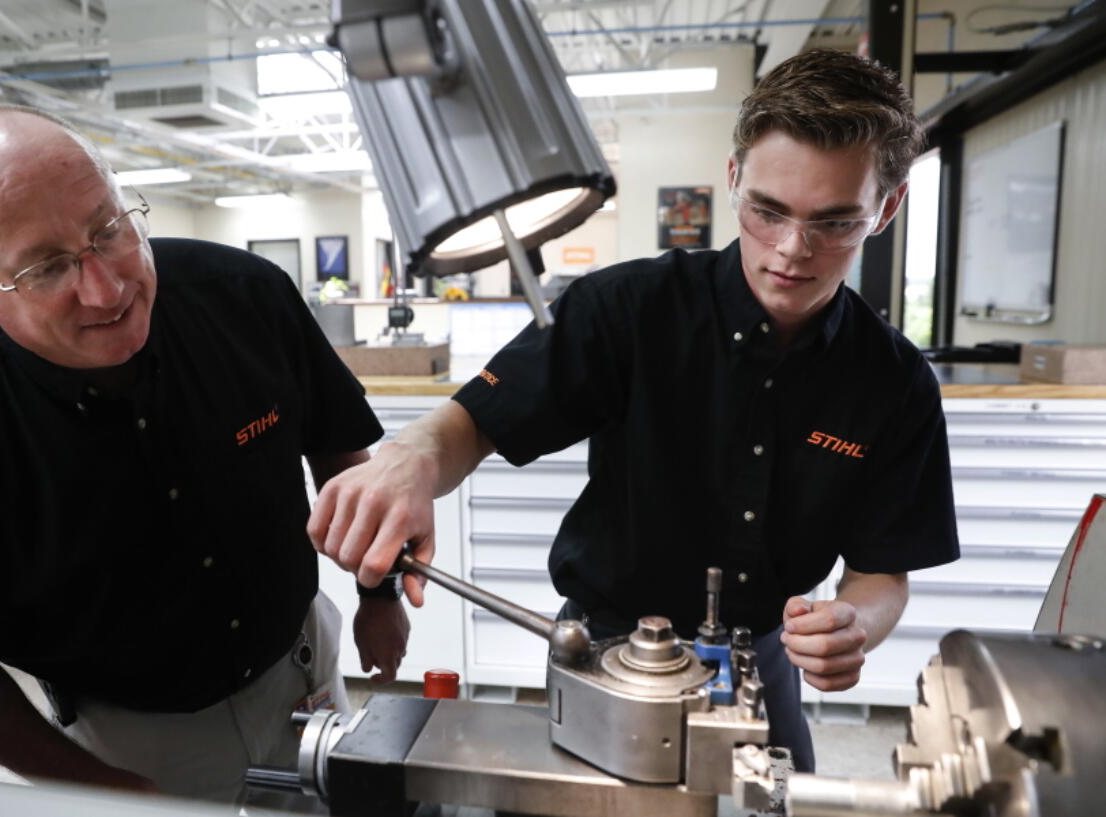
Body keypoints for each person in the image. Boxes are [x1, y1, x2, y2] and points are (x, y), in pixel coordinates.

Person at [308, 48, 959, 774]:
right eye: (767, 211)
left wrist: (854, 624)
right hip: (604, 655)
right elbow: (475, 421)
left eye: (835, 223)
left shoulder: (894, 382)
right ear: (735, 177)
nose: (791, 250)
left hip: (758, 660)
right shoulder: (625, 309)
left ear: (888, 207)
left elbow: (883, 573)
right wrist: (412, 458)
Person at [0, 105, 409, 805]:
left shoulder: (245, 296)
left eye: (109, 229)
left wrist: (379, 592)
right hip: (122, 743)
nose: (108, 288)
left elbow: (337, 440)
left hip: (302, 669)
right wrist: (94, 786)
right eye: (45, 268)